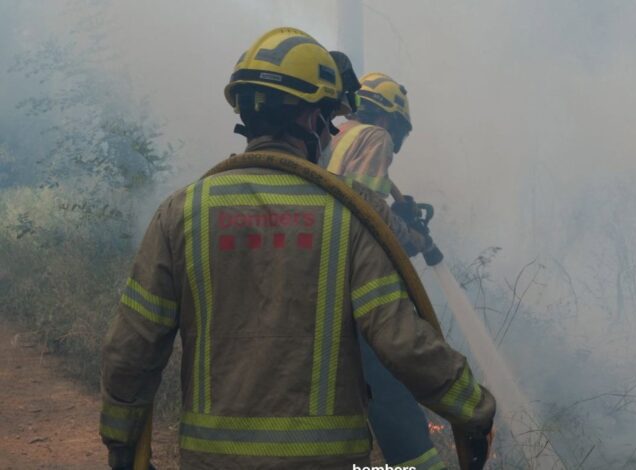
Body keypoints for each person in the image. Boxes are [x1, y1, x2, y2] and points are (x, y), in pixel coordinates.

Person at [99, 27, 495, 469]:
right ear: (309, 120)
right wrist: (474, 407)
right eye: (328, 121)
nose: (330, 135)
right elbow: (401, 340)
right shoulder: (351, 215)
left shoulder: (182, 211)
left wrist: (123, 444)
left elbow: (132, 346)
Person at [321, 72, 449, 468]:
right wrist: (411, 237)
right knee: (390, 387)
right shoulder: (376, 137)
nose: (396, 145)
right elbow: (365, 212)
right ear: (392, 119)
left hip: (322, 272)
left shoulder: (336, 135)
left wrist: (399, 217)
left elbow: (348, 195)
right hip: (355, 282)